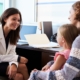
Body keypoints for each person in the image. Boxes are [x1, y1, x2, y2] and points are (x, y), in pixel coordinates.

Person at [28, 1, 80, 80]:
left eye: (70, 13)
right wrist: (51, 63)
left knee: (34, 75)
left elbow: (65, 75)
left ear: (77, 12)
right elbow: (71, 63)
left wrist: (38, 74)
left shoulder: (78, 41)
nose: (68, 17)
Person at [0, 7, 29, 80]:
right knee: (22, 66)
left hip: (3, 62)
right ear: (5, 19)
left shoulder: (12, 35)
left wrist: (13, 64)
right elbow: (13, 56)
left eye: (18, 20)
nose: (17, 22)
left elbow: (12, 53)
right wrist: (18, 58)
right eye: (14, 19)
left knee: (19, 76)